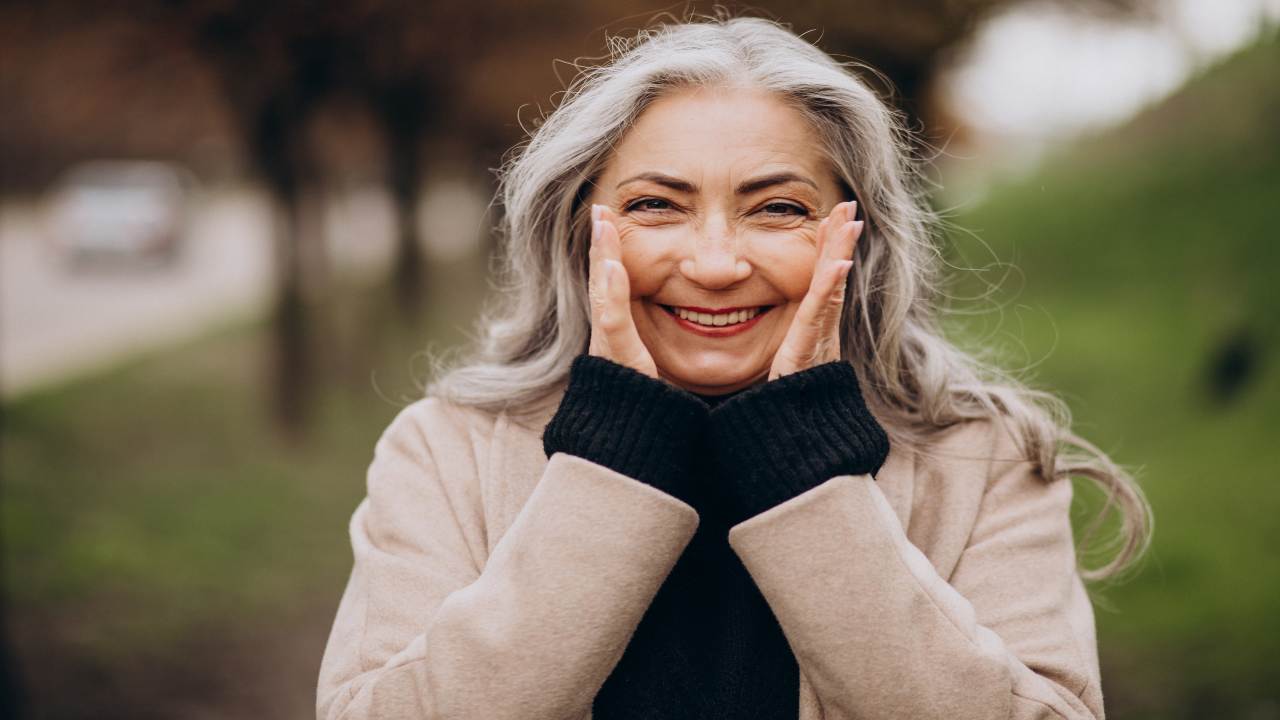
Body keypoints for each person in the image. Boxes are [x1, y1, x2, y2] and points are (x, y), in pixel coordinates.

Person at [316, 15, 1152, 720]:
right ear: (580, 231)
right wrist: (611, 464)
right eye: (657, 205)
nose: (715, 263)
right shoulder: (449, 448)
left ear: (855, 241)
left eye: (778, 209)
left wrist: (807, 473)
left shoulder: (981, 454)